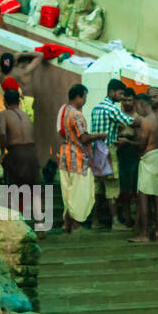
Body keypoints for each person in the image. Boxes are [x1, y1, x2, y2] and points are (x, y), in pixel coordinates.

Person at [56, 83, 103, 233]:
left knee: (69, 193)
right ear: (78, 97)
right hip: (77, 158)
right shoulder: (76, 114)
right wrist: (99, 136)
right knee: (79, 193)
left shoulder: (65, 112)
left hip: (66, 156)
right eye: (84, 97)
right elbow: (83, 138)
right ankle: (76, 224)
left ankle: (67, 223)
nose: (85, 101)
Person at [90, 79, 134, 228]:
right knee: (112, 187)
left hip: (96, 151)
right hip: (109, 151)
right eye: (120, 93)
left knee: (97, 188)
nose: (122, 97)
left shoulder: (96, 108)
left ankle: (95, 221)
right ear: (112, 92)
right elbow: (130, 121)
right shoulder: (112, 109)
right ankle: (115, 221)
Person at [130, 94, 158, 242]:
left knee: (143, 197)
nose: (135, 109)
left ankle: (145, 234)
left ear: (141, 104)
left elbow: (142, 144)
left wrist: (128, 142)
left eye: (136, 105)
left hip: (149, 159)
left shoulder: (146, 121)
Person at [0, 87, 38, 188]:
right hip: (32, 154)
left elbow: (2, 133)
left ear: (4, 102)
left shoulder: (3, 114)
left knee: (13, 188)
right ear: (19, 102)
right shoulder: (25, 115)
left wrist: (2, 153)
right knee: (29, 190)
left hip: (16, 153)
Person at [114, 88, 141, 224]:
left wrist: (128, 141)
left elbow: (141, 141)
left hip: (133, 154)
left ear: (134, 100)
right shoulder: (117, 114)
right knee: (123, 189)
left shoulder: (137, 117)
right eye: (124, 99)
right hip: (120, 154)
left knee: (135, 189)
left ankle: (137, 219)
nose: (126, 102)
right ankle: (128, 218)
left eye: (129, 100)